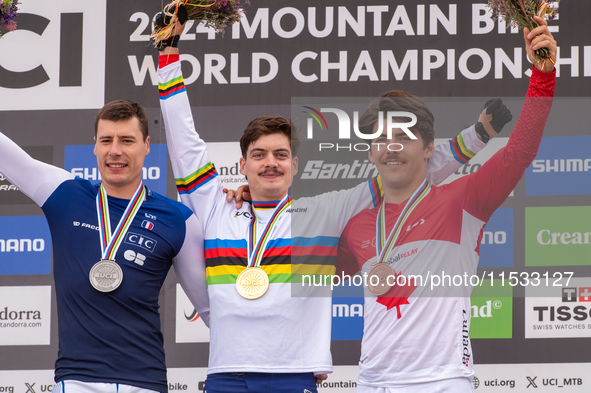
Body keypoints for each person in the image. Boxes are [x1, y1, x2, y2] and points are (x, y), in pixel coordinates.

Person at [156, 13, 513, 390]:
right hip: (226, 373)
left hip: (294, 374)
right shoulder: (215, 207)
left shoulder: (323, 213)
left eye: (280, 154)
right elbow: (184, 142)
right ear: (242, 164)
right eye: (259, 155)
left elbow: (406, 171)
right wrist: (168, 54)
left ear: (294, 164)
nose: (270, 163)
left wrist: (476, 136)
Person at [336, 16, 556, 392]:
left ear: (427, 148)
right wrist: (250, 199)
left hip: (443, 381)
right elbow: (294, 269)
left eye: (403, 137)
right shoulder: (354, 222)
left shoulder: (463, 200)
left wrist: (543, 77)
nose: (391, 147)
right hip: (373, 383)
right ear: (370, 152)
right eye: (381, 139)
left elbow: (519, 153)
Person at [0, 100, 209, 393]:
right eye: (106, 140)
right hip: (77, 380)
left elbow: (210, 309)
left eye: (127, 140)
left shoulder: (178, 219)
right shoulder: (64, 194)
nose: (115, 151)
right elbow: (9, 157)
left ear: (147, 145)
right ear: (95, 146)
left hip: (145, 381)